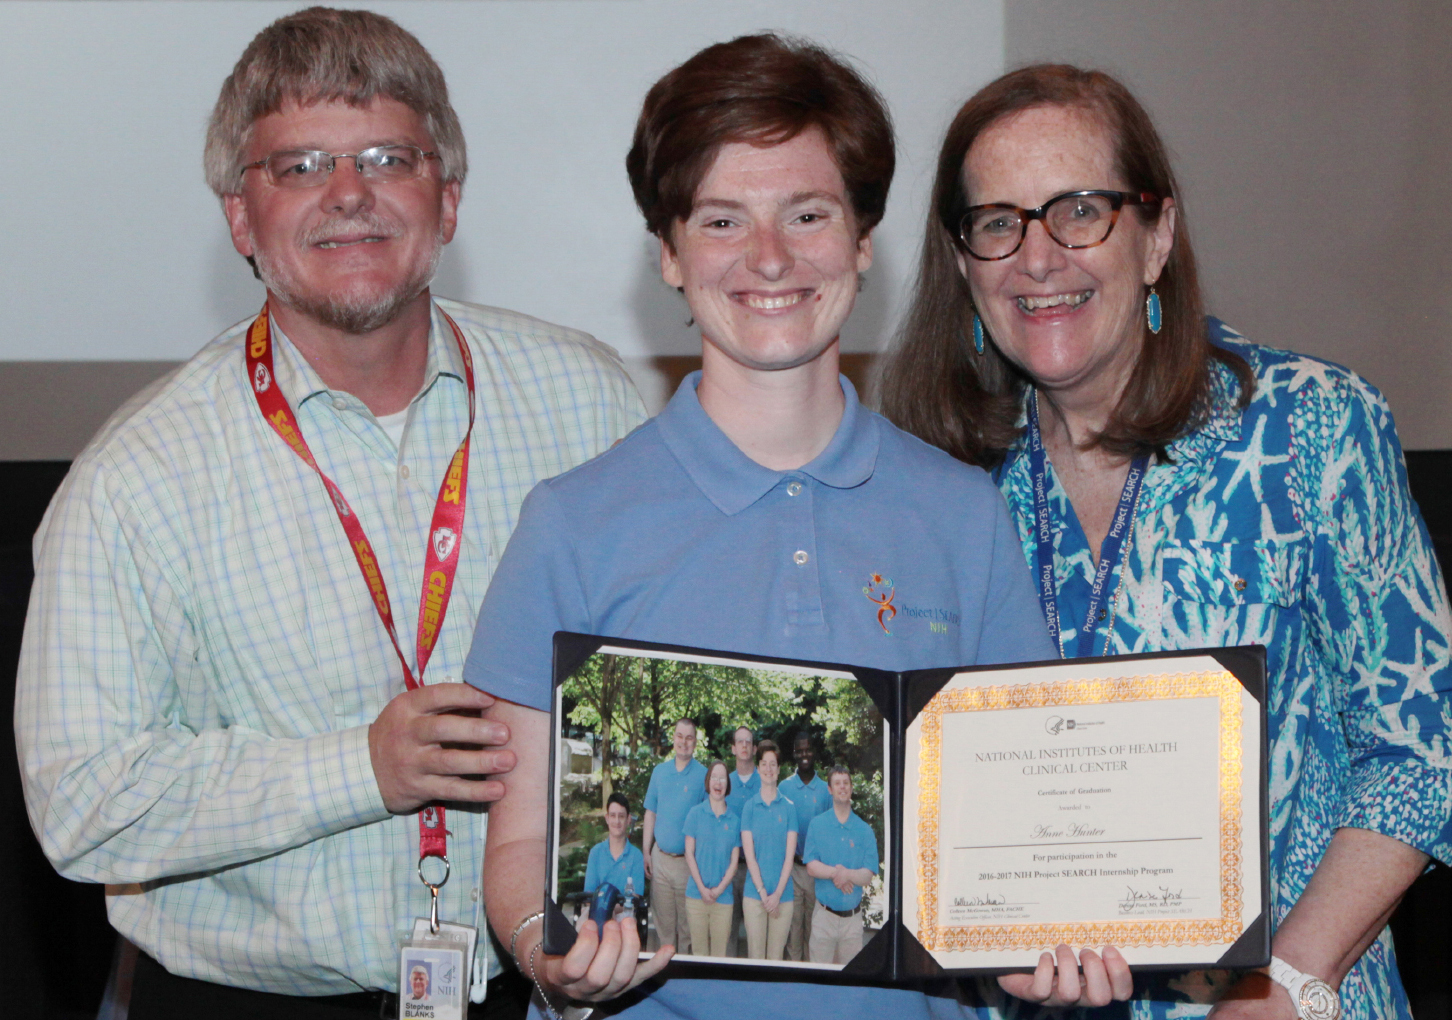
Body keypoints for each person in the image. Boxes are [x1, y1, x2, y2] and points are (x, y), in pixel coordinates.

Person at [467, 31, 1124, 1019]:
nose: (769, 257)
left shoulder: (963, 517)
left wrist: (1049, 954)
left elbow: (1014, 844)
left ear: (863, 240)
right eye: (723, 220)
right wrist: (545, 949)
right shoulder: (570, 524)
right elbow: (520, 850)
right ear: (671, 255)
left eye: (808, 213)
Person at [13, 7, 645, 1017]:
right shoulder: (135, 477)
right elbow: (82, 806)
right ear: (238, 218)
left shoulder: (591, 402)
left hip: (541, 991)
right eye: (298, 166)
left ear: (446, 200)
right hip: (248, 1000)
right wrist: (360, 767)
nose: (349, 195)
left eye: (388, 157)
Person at [878, 62, 1452, 1018]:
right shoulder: (941, 486)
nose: (1038, 256)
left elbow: (1425, 746)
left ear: (1157, 236)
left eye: (1080, 211)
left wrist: (1290, 979)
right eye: (998, 223)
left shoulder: (1308, 427)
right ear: (964, 263)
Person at [642, 718, 706, 954]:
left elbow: (707, 823)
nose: (684, 742)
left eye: (689, 737)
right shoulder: (660, 772)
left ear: (695, 742)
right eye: (680, 736)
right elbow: (651, 813)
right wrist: (646, 852)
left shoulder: (703, 776)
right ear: (673, 738)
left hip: (688, 865)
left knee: (687, 929)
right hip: (660, 862)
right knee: (664, 928)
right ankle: (663, 976)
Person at [803, 767, 877, 966]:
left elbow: (867, 875)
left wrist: (848, 875)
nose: (842, 787)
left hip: (852, 923)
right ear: (830, 789)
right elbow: (811, 866)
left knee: (849, 983)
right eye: (837, 783)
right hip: (823, 919)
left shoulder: (864, 830)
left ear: (851, 788)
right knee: (820, 982)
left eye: (846, 783)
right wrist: (838, 874)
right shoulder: (817, 825)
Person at [739, 740, 798, 961]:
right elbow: (750, 857)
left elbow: (789, 859)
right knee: (755, 959)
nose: (768, 769)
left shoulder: (789, 808)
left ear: (779, 769)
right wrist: (765, 895)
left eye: (773, 764)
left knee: (776, 960)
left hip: (783, 897)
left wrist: (776, 896)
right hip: (755, 896)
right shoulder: (749, 808)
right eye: (764, 764)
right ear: (758, 768)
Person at [777, 732, 831, 961]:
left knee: (814, 931)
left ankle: (811, 977)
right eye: (799, 750)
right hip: (792, 870)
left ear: (814, 751)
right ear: (794, 754)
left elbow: (830, 831)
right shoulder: (784, 787)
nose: (804, 754)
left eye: (808, 749)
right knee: (793, 930)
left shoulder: (824, 789)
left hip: (816, 873)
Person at [683, 761, 742, 957]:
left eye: (722, 778)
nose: (718, 782)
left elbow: (734, 863)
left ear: (728, 784)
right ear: (708, 782)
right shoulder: (694, 814)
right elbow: (689, 853)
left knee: (719, 956)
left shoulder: (734, 821)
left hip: (723, 898)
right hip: (696, 896)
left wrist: (718, 890)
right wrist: (702, 888)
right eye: (714, 777)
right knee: (699, 953)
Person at [722, 726, 761, 955]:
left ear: (754, 748)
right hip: (730, 868)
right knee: (729, 934)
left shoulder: (766, 782)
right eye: (740, 741)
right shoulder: (723, 783)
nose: (744, 745)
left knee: (758, 935)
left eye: (749, 742)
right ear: (733, 748)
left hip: (758, 868)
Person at [583, 794, 646, 900]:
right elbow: (589, 895)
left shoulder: (636, 856)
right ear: (607, 819)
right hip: (597, 914)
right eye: (613, 816)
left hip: (625, 914)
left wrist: (610, 908)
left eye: (621, 816)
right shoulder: (595, 853)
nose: (617, 821)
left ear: (628, 819)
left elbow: (634, 899)